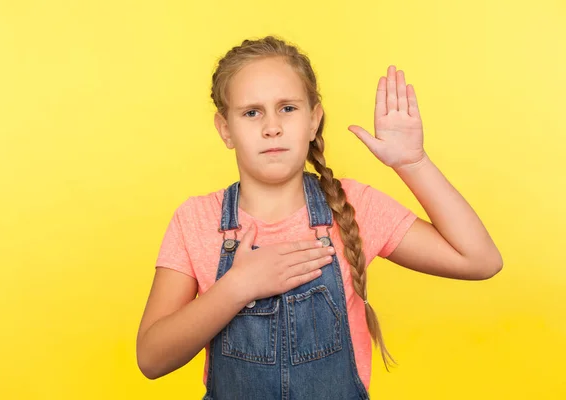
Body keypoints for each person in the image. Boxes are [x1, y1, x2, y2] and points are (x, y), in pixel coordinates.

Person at [136, 36, 503, 399]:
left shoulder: (354, 205)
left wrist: (413, 163)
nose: (272, 127)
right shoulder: (196, 220)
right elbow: (151, 359)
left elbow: (479, 260)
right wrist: (236, 288)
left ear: (314, 121)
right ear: (225, 129)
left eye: (288, 108)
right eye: (251, 112)